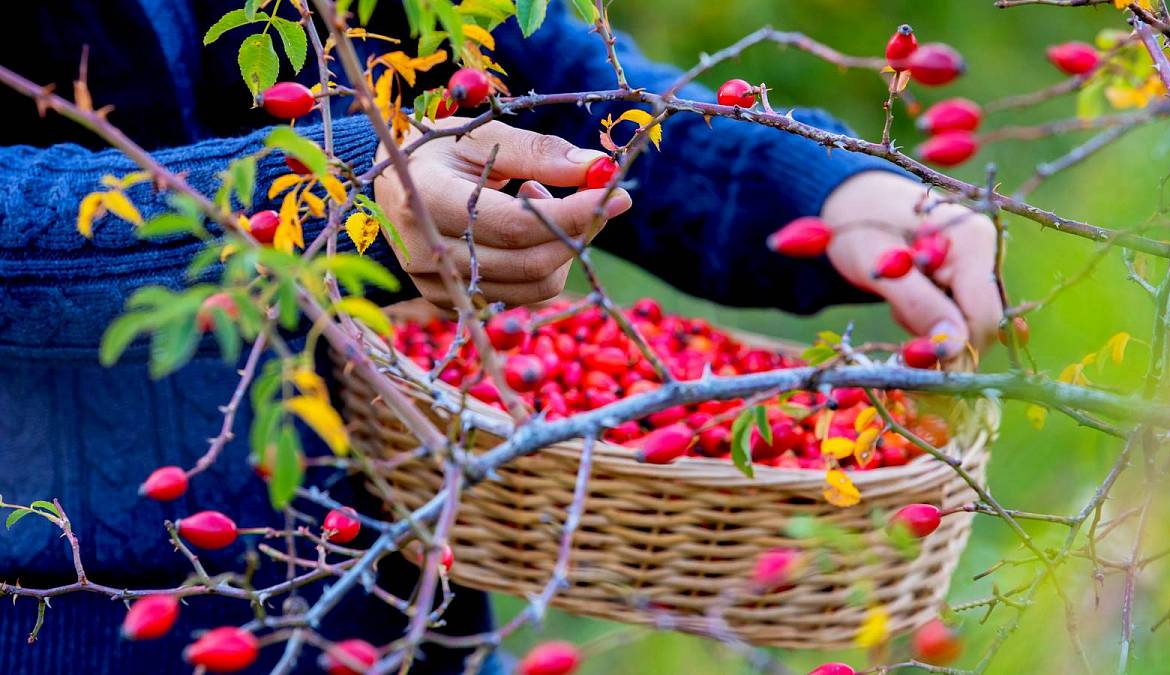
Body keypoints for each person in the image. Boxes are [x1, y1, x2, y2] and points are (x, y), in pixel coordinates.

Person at [0, 1, 1001, 673]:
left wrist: (828, 189)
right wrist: (323, 203)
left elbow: (531, 67)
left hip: (391, 595)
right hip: (60, 619)